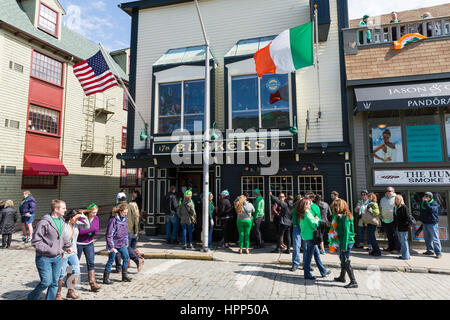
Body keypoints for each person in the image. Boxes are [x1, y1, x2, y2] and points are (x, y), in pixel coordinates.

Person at [28, 200, 72, 300]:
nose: (65, 210)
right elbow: (35, 241)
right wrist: (50, 250)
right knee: (46, 282)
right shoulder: (44, 222)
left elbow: (62, 236)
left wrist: (68, 245)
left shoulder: (61, 221)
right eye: (63, 208)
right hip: (44, 258)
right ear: (56, 209)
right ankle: (31, 296)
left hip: (58, 257)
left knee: (54, 282)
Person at [56, 209, 90, 300]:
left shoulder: (76, 224)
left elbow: (87, 226)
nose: (76, 220)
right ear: (70, 217)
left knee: (76, 271)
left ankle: (70, 292)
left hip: (73, 252)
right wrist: (66, 247)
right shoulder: (63, 224)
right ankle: (58, 294)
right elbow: (59, 238)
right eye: (75, 218)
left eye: (77, 219)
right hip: (63, 252)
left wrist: (84, 216)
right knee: (61, 274)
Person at [297, 198, 331, 280]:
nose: (310, 204)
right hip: (311, 237)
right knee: (309, 257)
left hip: (306, 236)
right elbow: (314, 225)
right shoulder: (307, 213)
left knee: (316, 254)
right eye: (309, 203)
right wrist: (317, 219)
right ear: (305, 205)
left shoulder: (302, 213)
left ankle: (323, 271)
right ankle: (307, 274)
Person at [332, 199, 358, 288]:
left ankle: (354, 281)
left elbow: (346, 232)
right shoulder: (341, 216)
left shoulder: (346, 217)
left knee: (346, 261)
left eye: (336, 206)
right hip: (342, 241)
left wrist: (344, 245)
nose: (335, 208)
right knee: (342, 259)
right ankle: (342, 277)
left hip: (346, 242)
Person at [103, 203, 131, 284]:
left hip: (122, 243)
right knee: (111, 260)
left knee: (126, 257)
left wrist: (126, 241)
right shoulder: (113, 220)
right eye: (125, 212)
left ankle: (124, 276)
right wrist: (111, 246)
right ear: (120, 211)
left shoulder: (125, 219)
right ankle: (105, 278)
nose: (126, 214)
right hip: (113, 244)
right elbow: (109, 235)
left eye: (127, 212)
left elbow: (125, 232)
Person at [77, 203, 101, 292]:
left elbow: (97, 231)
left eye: (96, 212)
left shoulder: (96, 218)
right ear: (89, 211)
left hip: (89, 243)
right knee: (74, 263)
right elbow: (80, 232)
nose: (95, 214)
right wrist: (91, 231)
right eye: (93, 212)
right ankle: (70, 283)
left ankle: (92, 283)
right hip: (78, 243)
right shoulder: (81, 218)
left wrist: (89, 231)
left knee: (91, 262)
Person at [419, 192, 442, 259]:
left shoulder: (434, 203)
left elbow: (430, 209)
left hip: (432, 224)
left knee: (435, 238)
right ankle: (430, 251)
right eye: (424, 196)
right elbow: (422, 211)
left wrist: (426, 202)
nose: (424, 198)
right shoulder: (423, 203)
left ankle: (438, 253)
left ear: (430, 197)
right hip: (425, 223)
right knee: (427, 238)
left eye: (426, 197)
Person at [380, 187, 400, 253]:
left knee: (396, 235)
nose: (388, 192)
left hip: (394, 220)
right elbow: (380, 208)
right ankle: (390, 247)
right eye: (387, 191)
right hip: (385, 220)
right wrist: (381, 217)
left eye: (389, 191)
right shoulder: (383, 199)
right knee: (389, 235)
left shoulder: (396, 198)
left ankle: (397, 248)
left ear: (393, 192)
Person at [393, 195, 412, 260]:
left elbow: (407, 218)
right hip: (398, 227)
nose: (397, 200)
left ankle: (405, 256)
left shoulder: (404, 207)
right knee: (402, 242)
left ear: (401, 200)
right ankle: (406, 255)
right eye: (396, 199)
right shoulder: (396, 207)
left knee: (404, 241)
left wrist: (405, 225)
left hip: (403, 228)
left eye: (398, 199)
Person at [127, 201, 144, 271]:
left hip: (132, 233)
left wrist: (135, 232)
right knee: (133, 248)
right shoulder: (137, 215)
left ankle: (130, 262)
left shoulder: (131, 215)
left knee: (128, 248)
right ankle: (140, 258)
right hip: (135, 234)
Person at [290, 195, 302, 272]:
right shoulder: (297, 206)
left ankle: (296, 264)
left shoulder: (295, 206)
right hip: (299, 226)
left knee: (297, 246)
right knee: (297, 246)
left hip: (300, 227)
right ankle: (296, 264)